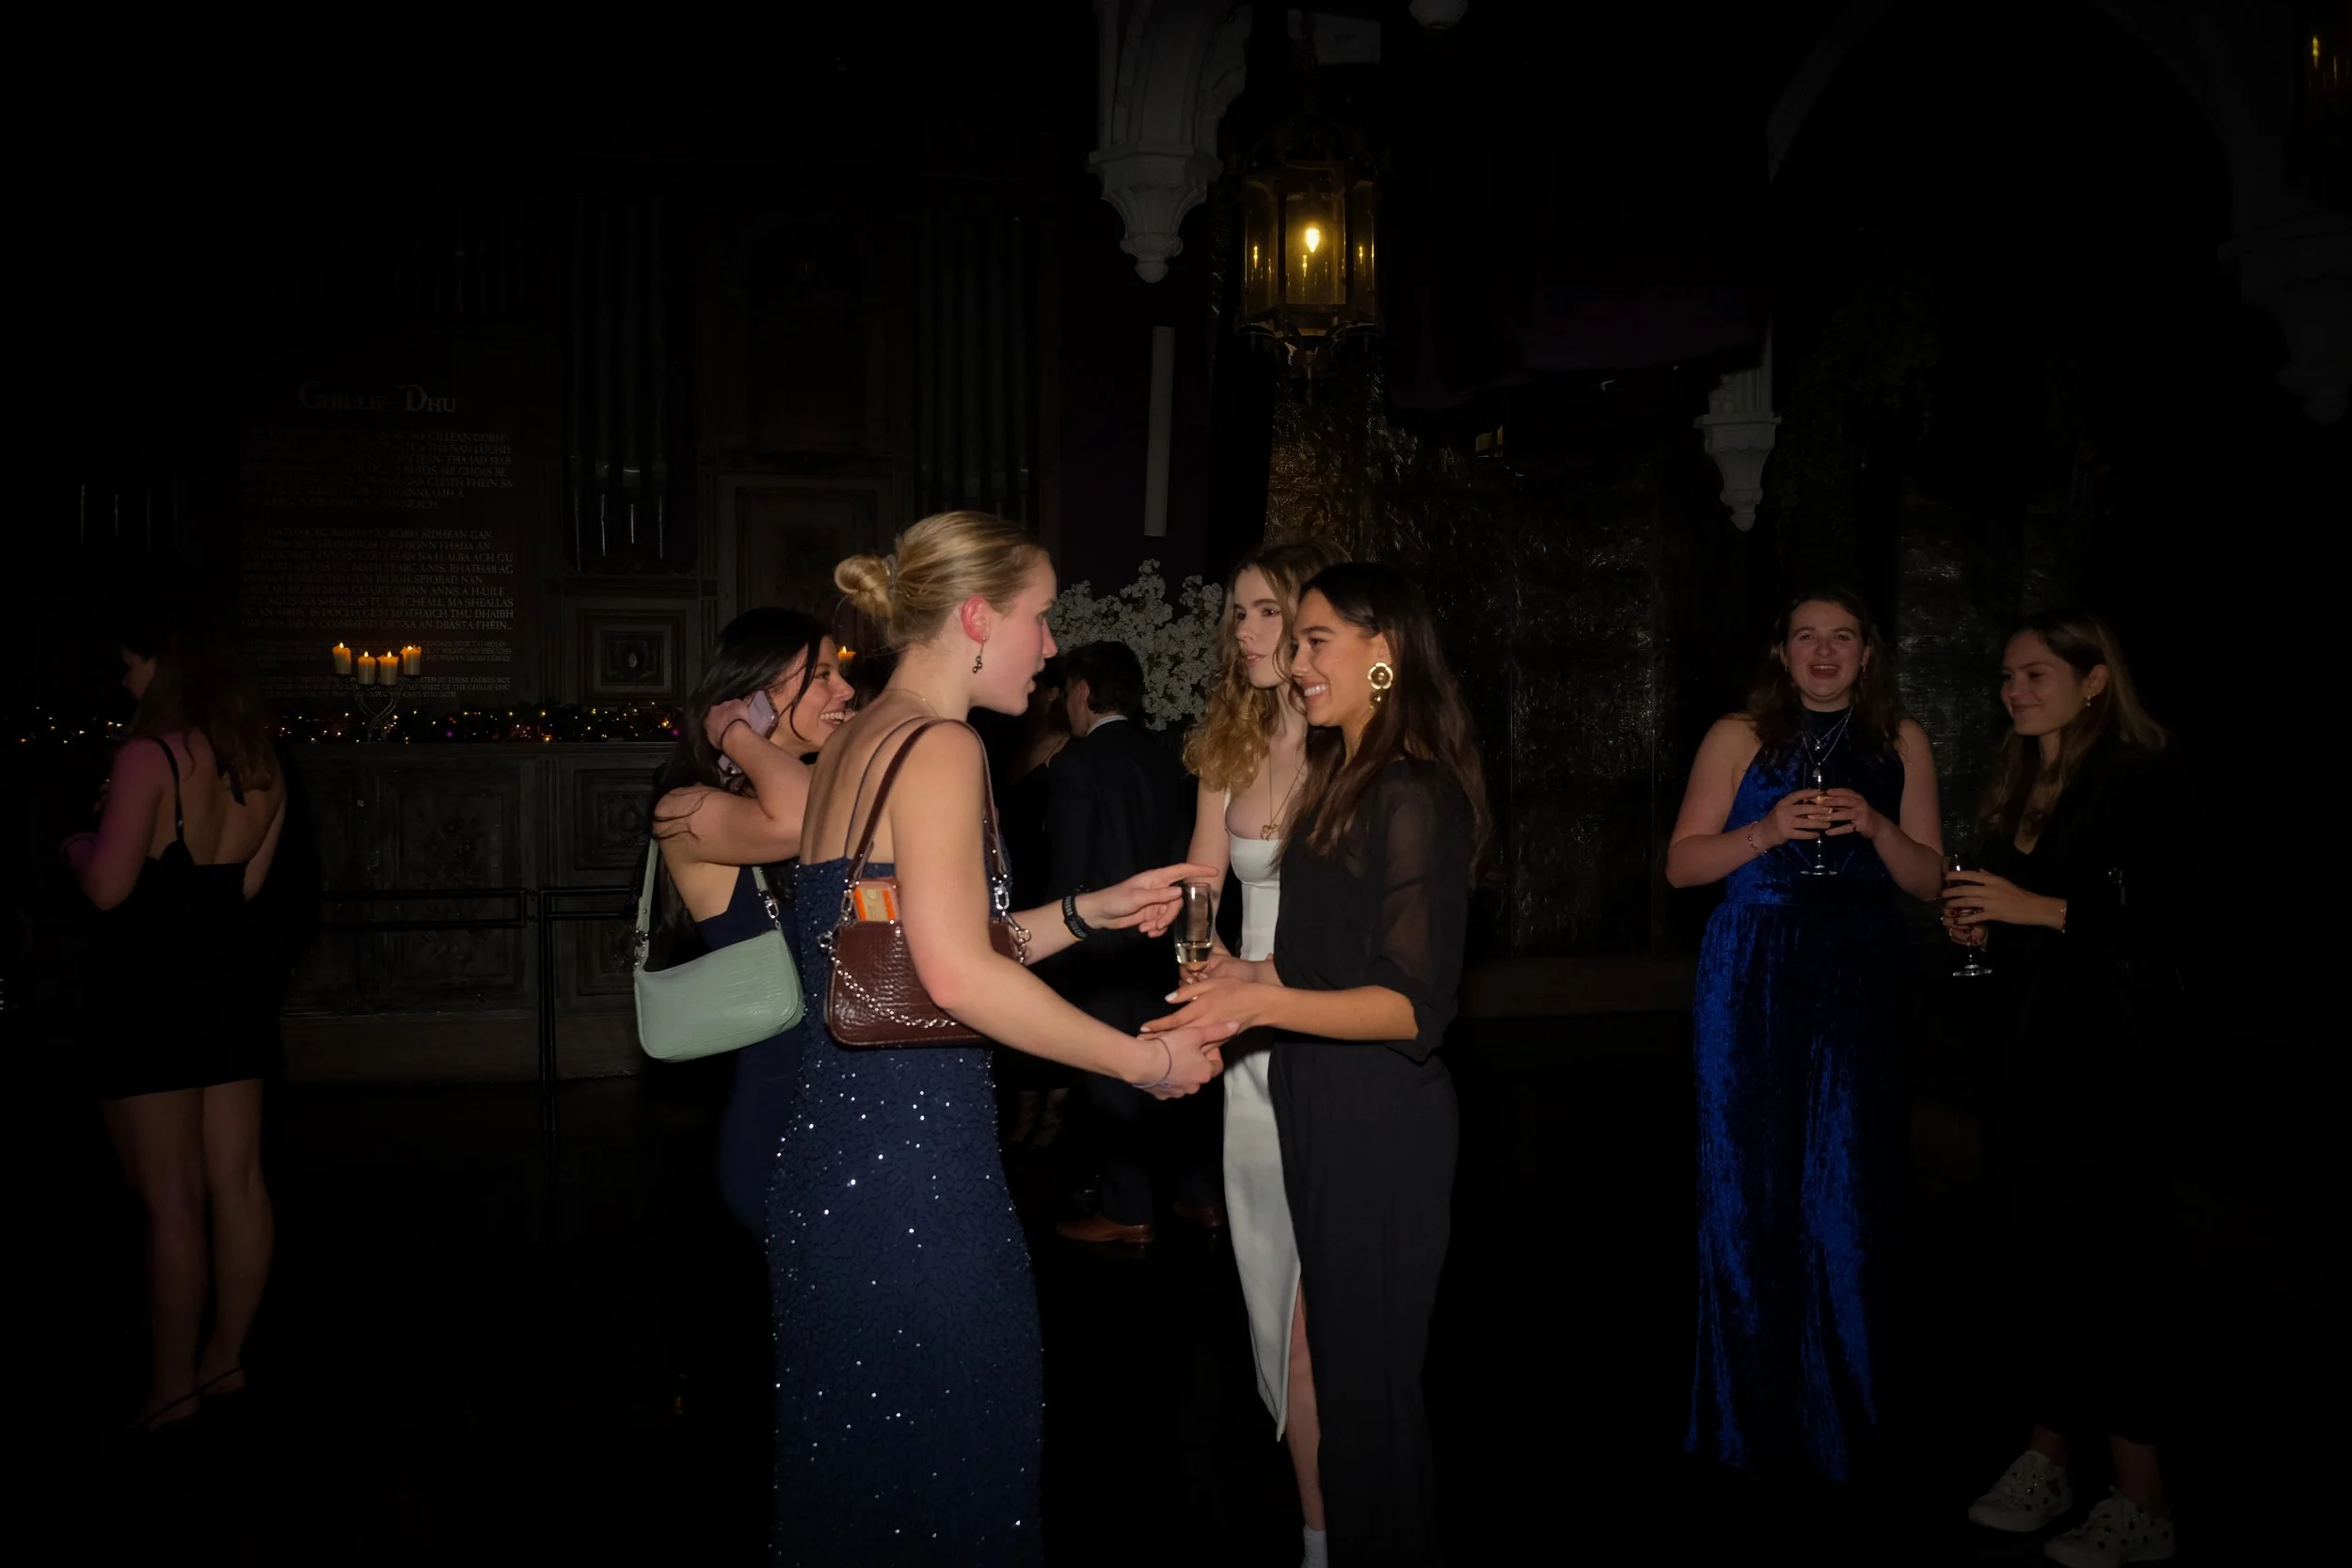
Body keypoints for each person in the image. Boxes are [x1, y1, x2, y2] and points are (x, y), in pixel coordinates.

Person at [773, 510, 1231, 1564]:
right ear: (978, 616)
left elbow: (908, 946)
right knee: (957, 1482)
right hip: (916, 1185)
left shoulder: (858, 738)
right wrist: (1144, 1058)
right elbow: (956, 971)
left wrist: (1087, 909)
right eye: (1039, 618)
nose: (1050, 646)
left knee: (858, 1494)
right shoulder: (941, 746)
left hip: (836, 1167)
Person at [1150, 561, 1481, 1568]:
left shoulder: (1413, 787)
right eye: (1292, 641)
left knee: (1372, 1405)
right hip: (1315, 1097)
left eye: (1314, 638)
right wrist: (1246, 974)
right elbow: (1326, 955)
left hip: (1378, 1117)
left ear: (1384, 653)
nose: (1294, 660)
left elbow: (1411, 1005)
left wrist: (1262, 998)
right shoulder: (1347, 777)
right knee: (1339, 1379)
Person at [1665, 589, 1946, 1481]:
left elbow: (1932, 881)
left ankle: (1848, 1418)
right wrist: (1763, 831)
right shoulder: (1737, 735)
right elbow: (1681, 865)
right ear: (1782, 653)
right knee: (1748, 1191)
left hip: (1857, 971)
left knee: (1853, 1190)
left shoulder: (1902, 741)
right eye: (1806, 638)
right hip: (1751, 969)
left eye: (1843, 639)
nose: (1824, 654)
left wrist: (1875, 824)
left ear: (1867, 654)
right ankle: (1748, 1421)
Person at [1944, 610, 2185, 1568]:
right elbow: (2025, 929)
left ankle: (2143, 1499)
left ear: (2093, 681)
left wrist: (2027, 906)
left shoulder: (2140, 777)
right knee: (2032, 1255)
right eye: (2005, 674)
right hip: (2027, 1057)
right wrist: (1983, 931)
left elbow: (2168, 928)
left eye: (2035, 671)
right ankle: (2046, 1458)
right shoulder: (2020, 780)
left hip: (2110, 1067)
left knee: (2112, 1273)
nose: (2014, 688)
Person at [64, 607, 289, 1433]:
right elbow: (250, 888)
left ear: (165, 665)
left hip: (147, 994)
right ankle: (223, 1358)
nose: (125, 681)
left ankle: (169, 1384)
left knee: (168, 1199)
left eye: (131, 665)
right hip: (231, 988)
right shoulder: (261, 759)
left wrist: (76, 846)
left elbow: (109, 888)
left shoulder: (145, 757)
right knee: (237, 1182)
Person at [1177, 538, 1342, 1560]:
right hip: (1253, 1047)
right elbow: (1202, 885)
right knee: (1276, 1292)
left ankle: (1342, 1522)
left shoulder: (1354, 744)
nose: (1244, 631)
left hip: (1341, 1024)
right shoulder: (1226, 746)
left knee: (1330, 1301)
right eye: (1236, 613)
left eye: (1266, 611)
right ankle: (1317, 1526)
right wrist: (1212, 963)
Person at [647, 607, 856, 1236]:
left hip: (862, 1120)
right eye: (820, 675)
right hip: (783, 1132)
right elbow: (798, 821)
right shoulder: (685, 809)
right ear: (759, 693)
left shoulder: (826, 784)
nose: (844, 689)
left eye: (839, 673)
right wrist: (740, 735)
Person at [1044, 640, 1201, 1246]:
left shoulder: (1075, 766)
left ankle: (1129, 1208)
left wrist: (1055, 943)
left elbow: (1071, 868)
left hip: (1098, 947)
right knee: (1176, 1072)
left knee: (1111, 1079)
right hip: (1165, 940)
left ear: (1083, 692)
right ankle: (1199, 1197)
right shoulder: (1169, 759)